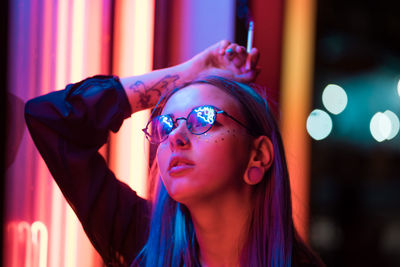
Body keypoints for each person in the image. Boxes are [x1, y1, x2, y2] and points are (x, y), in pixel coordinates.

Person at [25, 40, 324, 266]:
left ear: (257, 156)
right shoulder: (144, 242)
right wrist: (191, 72)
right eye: (164, 126)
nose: (175, 137)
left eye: (204, 119)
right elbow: (50, 118)